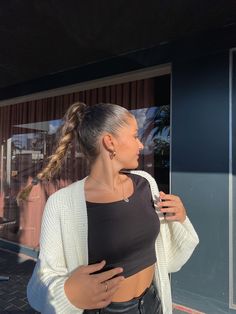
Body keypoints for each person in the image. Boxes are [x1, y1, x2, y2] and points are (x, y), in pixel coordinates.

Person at [18, 102, 199, 314]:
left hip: (153, 302)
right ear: (110, 142)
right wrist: (67, 292)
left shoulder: (145, 182)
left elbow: (168, 252)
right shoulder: (62, 203)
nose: (141, 145)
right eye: (134, 136)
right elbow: (42, 281)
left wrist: (179, 217)